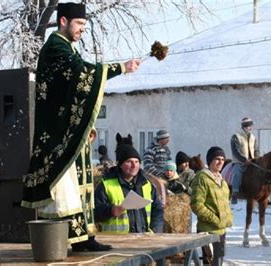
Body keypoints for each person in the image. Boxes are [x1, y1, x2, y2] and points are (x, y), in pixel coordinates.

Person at [21, 2, 141, 251]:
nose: (82, 30)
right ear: (63, 21)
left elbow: (74, 88)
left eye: (85, 26)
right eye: (79, 24)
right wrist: (120, 67)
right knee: (65, 187)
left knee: (80, 184)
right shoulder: (55, 47)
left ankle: (83, 237)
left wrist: (85, 124)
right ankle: (71, 238)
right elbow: (82, 74)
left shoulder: (68, 48)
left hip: (67, 129)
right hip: (56, 133)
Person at [94, 144, 164, 233]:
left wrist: (155, 232)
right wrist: (110, 211)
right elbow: (94, 213)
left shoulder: (147, 185)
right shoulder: (106, 185)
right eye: (129, 162)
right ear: (120, 165)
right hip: (116, 241)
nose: (134, 165)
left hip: (143, 240)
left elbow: (157, 211)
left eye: (136, 162)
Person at [191, 146, 233, 265]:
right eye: (217, 159)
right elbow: (196, 205)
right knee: (209, 263)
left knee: (218, 262)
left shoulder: (223, 181)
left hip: (221, 230)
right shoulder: (202, 178)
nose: (220, 162)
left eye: (222, 159)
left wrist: (228, 218)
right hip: (208, 230)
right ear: (210, 160)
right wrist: (215, 220)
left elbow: (225, 204)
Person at [230, 117, 260, 204]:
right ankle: (235, 193)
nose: (250, 128)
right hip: (240, 161)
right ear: (244, 126)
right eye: (248, 126)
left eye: (250, 126)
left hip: (252, 162)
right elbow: (235, 151)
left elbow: (256, 150)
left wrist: (256, 159)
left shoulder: (253, 137)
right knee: (237, 172)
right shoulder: (236, 136)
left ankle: (262, 193)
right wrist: (244, 159)